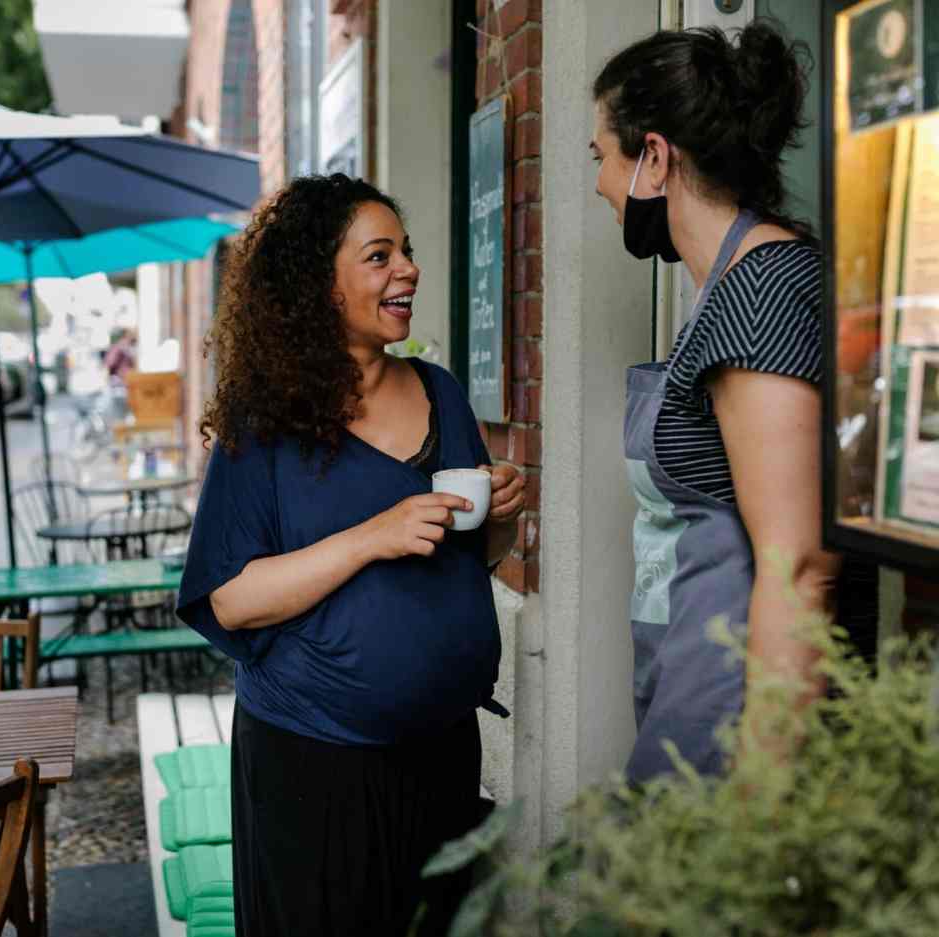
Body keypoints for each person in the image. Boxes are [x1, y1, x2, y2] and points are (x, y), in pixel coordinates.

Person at [176, 174, 522, 936]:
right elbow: (230, 596)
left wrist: (501, 521)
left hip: (441, 754)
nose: (408, 270)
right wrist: (373, 535)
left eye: (407, 251)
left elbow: (471, 559)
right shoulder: (264, 425)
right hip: (314, 764)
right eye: (379, 256)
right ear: (318, 285)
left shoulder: (442, 393)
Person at [590, 20, 878, 784]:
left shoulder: (763, 288)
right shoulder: (727, 288)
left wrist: (763, 805)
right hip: (694, 700)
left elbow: (803, 566)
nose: (599, 184)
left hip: (740, 733)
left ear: (654, 157)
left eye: (602, 157)